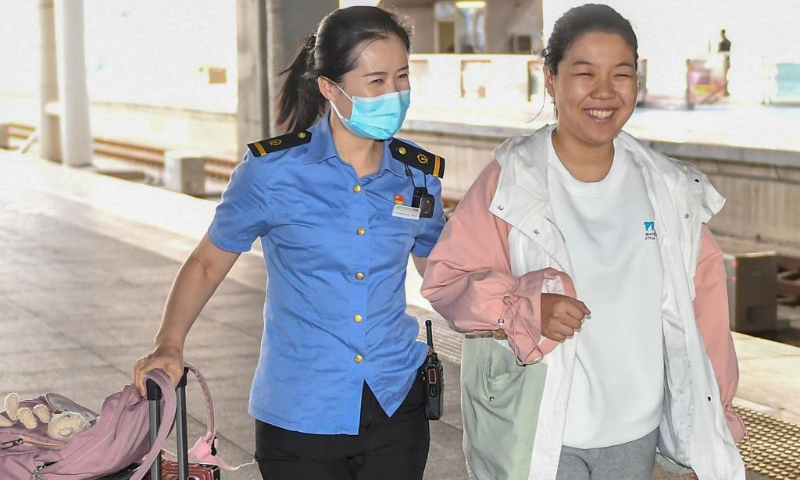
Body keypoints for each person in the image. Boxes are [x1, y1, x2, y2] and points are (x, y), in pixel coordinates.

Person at [421, 4, 745, 480]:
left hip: (636, 434)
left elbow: (707, 324)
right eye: (584, 72)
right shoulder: (511, 182)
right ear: (550, 78)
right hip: (540, 431)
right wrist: (526, 307)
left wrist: (711, 431)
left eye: (621, 74)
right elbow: (446, 281)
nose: (604, 92)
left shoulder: (671, 190)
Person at [132, 6, 445, 480]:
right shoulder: (270, 173)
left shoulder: (418, 177)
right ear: (329, 87)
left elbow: (443, 270)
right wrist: (168, 344)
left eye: (402, 77)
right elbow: (206, 264)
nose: (396, 94)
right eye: (376, 81)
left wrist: (510, 306)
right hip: (300, 410)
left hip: (395, 399)